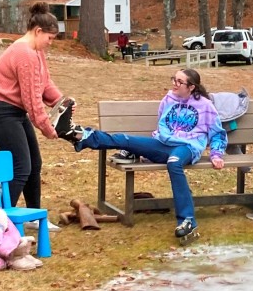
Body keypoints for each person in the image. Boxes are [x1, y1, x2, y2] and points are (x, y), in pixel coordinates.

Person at [66, 69, 227, 242]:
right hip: (163, 144)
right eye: (174, 79)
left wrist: (216, 154)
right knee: (124, 139)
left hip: (187, 147)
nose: (174, 83)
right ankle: (80, 135)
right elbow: (162, 127)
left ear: (191, 87)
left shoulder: (205, 106)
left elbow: (217, 133)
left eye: (179, 82)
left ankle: (187, 221)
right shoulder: (169, 99)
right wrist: (147, 150)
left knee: (174, 163)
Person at [0, 1, 80, 232]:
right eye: (50, 38)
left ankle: (32, 216)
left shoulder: (36, 52)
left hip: (13, 112)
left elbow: (44, 84)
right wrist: (48, 128)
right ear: (38, 31)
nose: (50, 43)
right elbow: (32, 100)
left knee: (34, 163)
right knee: (21, 166)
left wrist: (63, 102)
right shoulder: (24, 53)